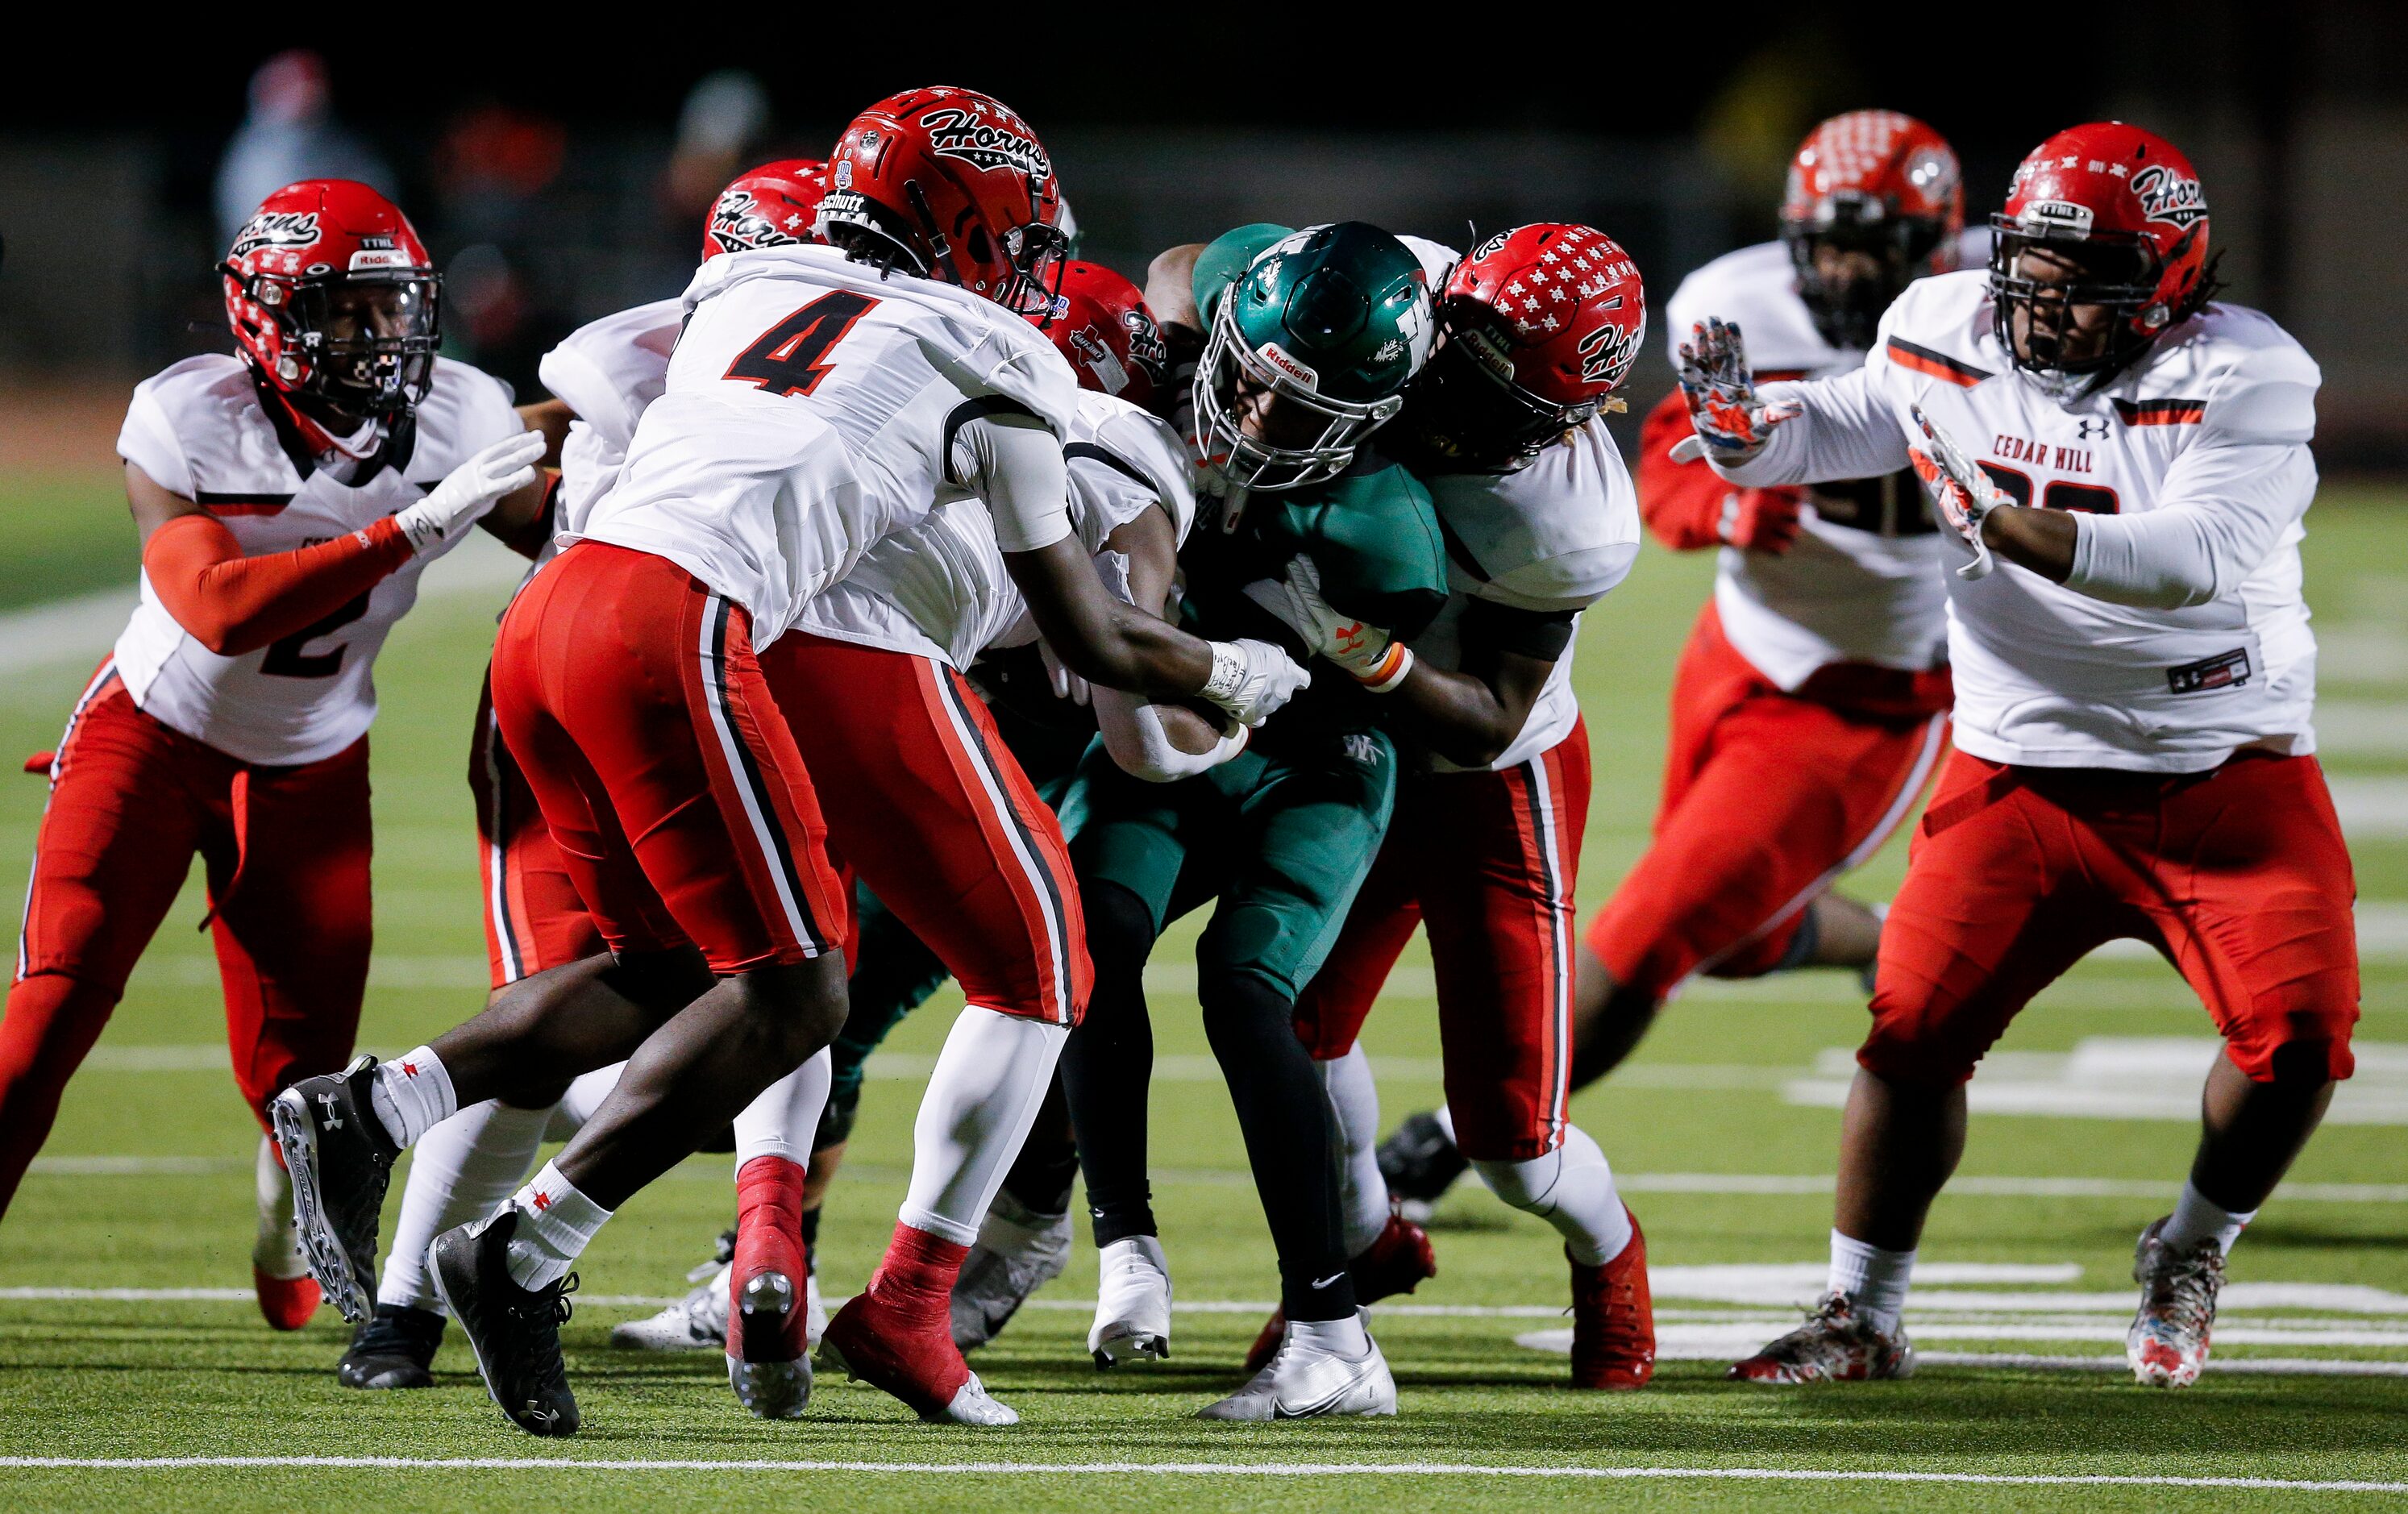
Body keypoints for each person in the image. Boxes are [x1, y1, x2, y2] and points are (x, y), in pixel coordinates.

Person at [275, 87, 1305, 1437]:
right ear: (971, 227)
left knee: (671, 975)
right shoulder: (998, 356)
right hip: (683, 628)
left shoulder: (745, 284)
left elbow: (601, 379)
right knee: (801, 990)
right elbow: (1090, 630)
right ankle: (516, 1250)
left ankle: (378, 1109)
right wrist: (1234, 669)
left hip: (554, 618)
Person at [1681, 122, 2356, 1389]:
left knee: (2304, 1039)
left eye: (2081, 289)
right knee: (1910, 1029)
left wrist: (2001, 521)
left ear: (2170, 287)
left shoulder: (2251, 375)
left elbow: (2189, 557)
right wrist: (1741, 432)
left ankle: (2192, 1244)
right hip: (2021, 763)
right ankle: (1862, 1312)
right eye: (2030, 281)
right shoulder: (1947, 322)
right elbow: (1835, 428)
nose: (2044, 314)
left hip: (2221, 764)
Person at [1379, 110, 1962, 1218]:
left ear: (1930, 241)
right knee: (1730, 936)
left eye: (1871, 243)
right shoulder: (1734, 302)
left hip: (1874, 691)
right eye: (1823, 239)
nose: (1841, 266)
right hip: (1737, 644)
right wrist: (1730, 510)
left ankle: (1456, 1138)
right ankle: (1875, 932)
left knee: (1650, 927)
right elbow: (1669, 470)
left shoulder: (1977, 318)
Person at [1, 180, 545, 1332]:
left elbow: (564, 531)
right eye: (347, 314)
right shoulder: (188, 417)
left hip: (313, 763)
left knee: (302, 1092)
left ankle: (271, 1221)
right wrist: (411, 527)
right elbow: (214, 605)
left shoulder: (462, 414)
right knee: (40, 1033)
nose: (382, 339)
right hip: (151, 737)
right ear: (266, 319)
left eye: (394, 310)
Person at [331, 160, 830, 1397]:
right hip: (614, 694)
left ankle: (484, 1226)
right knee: (651, 999)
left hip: (679, 685)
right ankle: (406, 1302)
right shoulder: (665, 352)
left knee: (762, 980)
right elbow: (582, 394)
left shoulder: (725, 359)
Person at [1058, 220, 1446, 1420]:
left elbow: (1382, 692)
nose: (1256, 422)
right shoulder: (1244, 291)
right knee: (1081, 929)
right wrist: (1179, 339)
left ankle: (1333, 1331)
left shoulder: (1388, 528)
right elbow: (1184, 266)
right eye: (1250, 381)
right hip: (1185, 708)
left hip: (1314, 747)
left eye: (1302, 413)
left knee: (1243, 985)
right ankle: (1124, 1244)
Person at [1262, 223, 1659, 1391]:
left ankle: (1613, 1256)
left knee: (1511, 1140)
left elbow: (1487, 713)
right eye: (1457, 360)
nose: (1448, 410)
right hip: (1360, 753)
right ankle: (1361, 1243)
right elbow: (1203, 267)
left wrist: (1354, 649)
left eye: (1500, 402)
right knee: (1287, 1027)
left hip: (1495, 783)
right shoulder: (1394, 291)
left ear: (1579, 415)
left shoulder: (1569, 518)